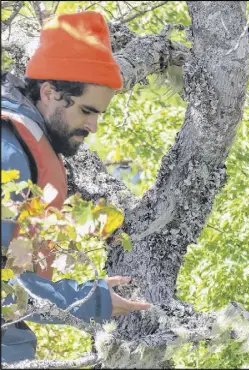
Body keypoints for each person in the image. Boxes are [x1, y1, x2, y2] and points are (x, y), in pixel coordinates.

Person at [1, 11, 150, 363]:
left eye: (99, 114)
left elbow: (14, 269)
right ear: (50, 92)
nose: (94, 126)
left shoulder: (26, 148)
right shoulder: (9, 156)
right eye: (86, 111)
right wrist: (89, 300)